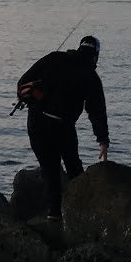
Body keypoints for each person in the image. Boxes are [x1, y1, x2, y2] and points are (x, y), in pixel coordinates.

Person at [16, 34, 110, 221]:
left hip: (36, 122)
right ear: (95, 55)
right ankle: (83, 213)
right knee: (74, 169)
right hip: (63, 126)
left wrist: (37, 98)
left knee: (50, 171)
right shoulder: (90, 76)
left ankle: (54, 215)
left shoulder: (54, 57)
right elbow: (97, 111)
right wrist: (102, 141)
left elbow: (22, 82)